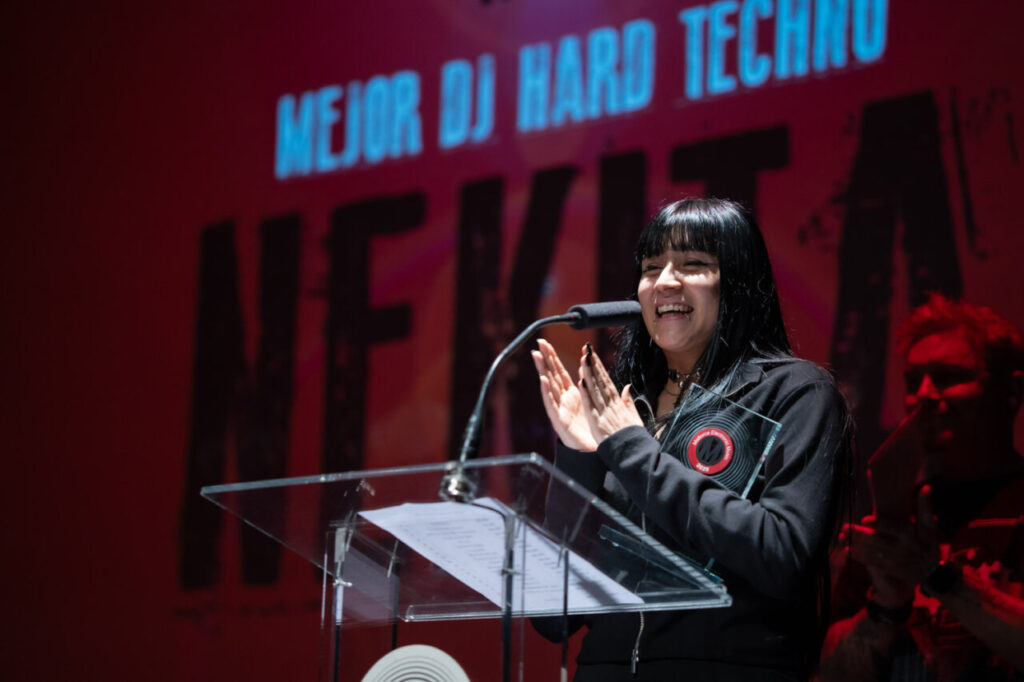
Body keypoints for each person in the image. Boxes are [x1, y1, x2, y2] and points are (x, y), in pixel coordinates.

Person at [531, 198, 850, 681]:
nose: (664, 282)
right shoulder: (623, 410)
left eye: (694, 265)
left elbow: (783, 552)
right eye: (651, 267)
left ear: (738, 285)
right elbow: (553, 616)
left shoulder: (794, 391)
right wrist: (579, 454)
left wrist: (632, 450)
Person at [818, 294, 1024, 681]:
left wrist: (937, 577)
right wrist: (886, 608)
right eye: (914, 381)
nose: (925, 395)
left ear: (1011, 393)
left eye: (949, 377)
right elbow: (827, 675)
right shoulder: (894, 520)